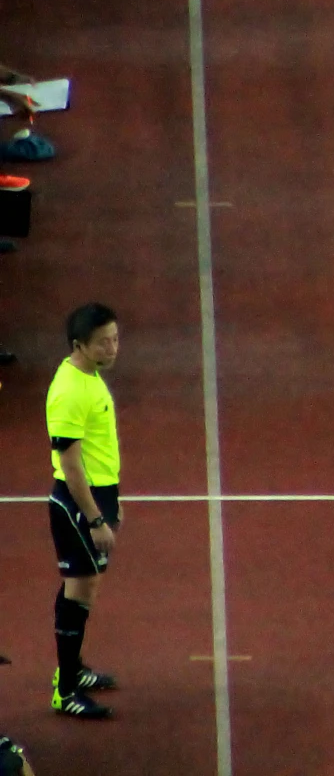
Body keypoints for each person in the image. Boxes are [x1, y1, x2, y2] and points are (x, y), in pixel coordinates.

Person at [46, 303, 122, 720]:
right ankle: (66, 687)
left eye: (114, 338)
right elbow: (71, 464)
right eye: (103, 342)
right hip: (79, 503)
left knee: (86, 585)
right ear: (79, 345)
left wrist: (112, 504)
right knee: (78, 587)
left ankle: (73, 668)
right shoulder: (69, 390)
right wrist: (95, 518)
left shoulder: (89, 377)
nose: (112, 347)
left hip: (99, 496)